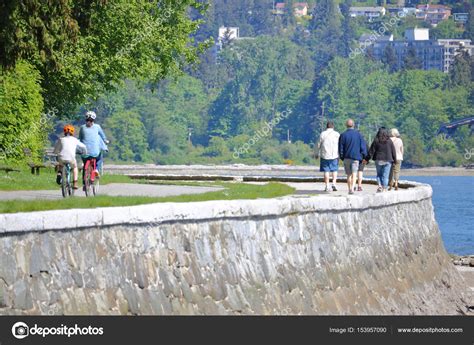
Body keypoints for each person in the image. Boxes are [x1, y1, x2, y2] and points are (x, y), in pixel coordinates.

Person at [338, 119, 368, 195]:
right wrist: (364, 156)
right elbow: (363, 147)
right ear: (353, 125)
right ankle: (352, 188)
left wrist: (342, 157)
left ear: (346, 125)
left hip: (346, 157)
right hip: (356, 158)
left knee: (348, 175)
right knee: (354, 174)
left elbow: (340, 148)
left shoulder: (343, 135)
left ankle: (349, 189)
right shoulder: (358, 135)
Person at [53, 125, 87, 189]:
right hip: (71, 158)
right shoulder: (75, 140)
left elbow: (56, 149)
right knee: (75, 167)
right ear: (72, 132)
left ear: (64, 132)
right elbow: (83, 146)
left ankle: (59, 173)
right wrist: (85, 152)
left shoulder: (61, 139)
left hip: (61, 158)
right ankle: (75, 183)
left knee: (61, 165)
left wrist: (55, 152)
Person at [79, 111, 108, 179]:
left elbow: (80, 138)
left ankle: (84, 183)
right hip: (95, 153)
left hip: (84, 153)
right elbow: (103, 136)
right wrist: (105, 140)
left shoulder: (82, 127)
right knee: (100, 157)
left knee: (85, 163)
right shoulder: (97, 127)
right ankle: (96, 169)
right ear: (94, 119)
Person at [368, 128, 397, 192]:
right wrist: (395, 160)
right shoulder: (389, 141)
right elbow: (393, 151)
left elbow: (371, 151)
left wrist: (367, 159)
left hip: (378, 159)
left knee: (379, 174)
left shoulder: (376, 140)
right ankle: (384, 188)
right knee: (385, 176)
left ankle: (380, 186)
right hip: (388, 160)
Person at [318, 121, 340, 192]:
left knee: (326, 171)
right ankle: (334, 184)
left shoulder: (323, 134)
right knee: (334, 170)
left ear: (326, 126)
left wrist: (316, 153)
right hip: (335, 155)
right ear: (333, 126)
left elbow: (319, 144)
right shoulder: (337, 134)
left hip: (325, 155)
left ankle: (327, 186)